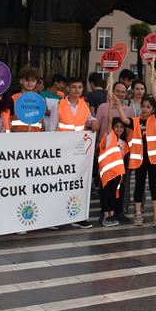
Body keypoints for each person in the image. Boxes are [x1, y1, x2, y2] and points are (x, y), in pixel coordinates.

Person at [55, 77, 99, 228]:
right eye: (74, 87)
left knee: (78, 184)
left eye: (80, 87)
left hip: (79, 153)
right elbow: (52, 127)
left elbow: (88, 119)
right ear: (67, 88)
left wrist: (93, 121)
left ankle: (78, 216)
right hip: (62, 152)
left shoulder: (84, 105)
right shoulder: (58, 105)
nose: (77, 90)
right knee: (60, 185)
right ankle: (57, 217)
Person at [125, 95, 156, 226]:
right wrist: (118, 104)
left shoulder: (155, 119)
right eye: (143, 106)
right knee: (139, 185)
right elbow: (123, 120)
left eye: (148, 107)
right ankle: (137, 214)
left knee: (154, 186)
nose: (145, 109)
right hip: (140, 159)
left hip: (153, 159)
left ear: (153, 109)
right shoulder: (135, 121)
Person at [98, 117, 128, 226]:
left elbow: (122, 160)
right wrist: (110, 105)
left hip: (117, 173)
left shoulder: (123, 143)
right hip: (107, 174)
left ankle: (112, 215)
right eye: (117, 126)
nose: (119, 129)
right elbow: (109, 121)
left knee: (114, 194)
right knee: (106, 193)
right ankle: (106, 215)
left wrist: (122, 175)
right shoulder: (109, 138)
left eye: (121, 127)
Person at [11, 66, 44, 132]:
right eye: (27, 80)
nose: (30, 83)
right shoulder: (13, 99)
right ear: (21, 81)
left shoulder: (41, 100)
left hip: (36, 139)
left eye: (33, 81)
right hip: (17, 139)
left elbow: (42, 125)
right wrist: (22, 133)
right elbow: (7, 124)